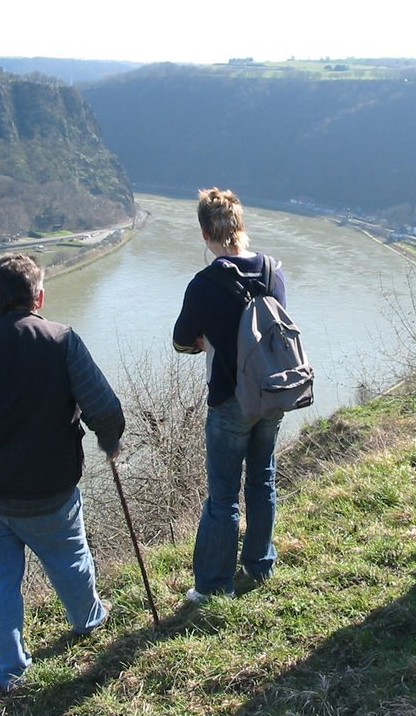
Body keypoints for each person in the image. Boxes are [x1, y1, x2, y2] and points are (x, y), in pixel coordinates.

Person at [0, 253, 125, 691]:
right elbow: (104, 408)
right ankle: (88, 621)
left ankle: (11, 671)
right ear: (39, 296)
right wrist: (109, 442)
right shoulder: (61, 341)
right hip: (49, 492)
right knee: (70, 560)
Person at [173, 188, 285, 602]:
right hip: (272, 393)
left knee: (223, 494)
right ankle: (259, 565)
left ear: (205, 232)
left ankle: (213, 585)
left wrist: (206, 342)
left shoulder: (204, 284)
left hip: (230, 397)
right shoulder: (273, 271)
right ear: (241, 226)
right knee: (263, 479)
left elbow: (182, 340)